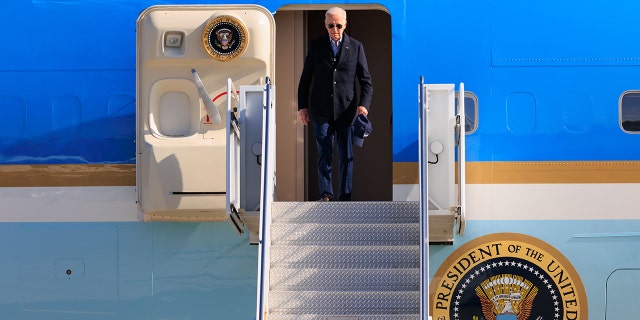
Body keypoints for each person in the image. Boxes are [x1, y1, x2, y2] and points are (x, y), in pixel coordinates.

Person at [297, 7, 373, 202]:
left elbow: (366, 82)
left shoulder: (356, 47)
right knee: (324, 152)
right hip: (321, 110)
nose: (335, 29)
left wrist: (363, 106)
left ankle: (345, 196)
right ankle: (326, 193)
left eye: (339, 25)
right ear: (325, 24)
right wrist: (302, 107)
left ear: (345, 24)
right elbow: (305, 80)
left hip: (347, 112)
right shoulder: (316, 46)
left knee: (347, 156)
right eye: (331, 25)